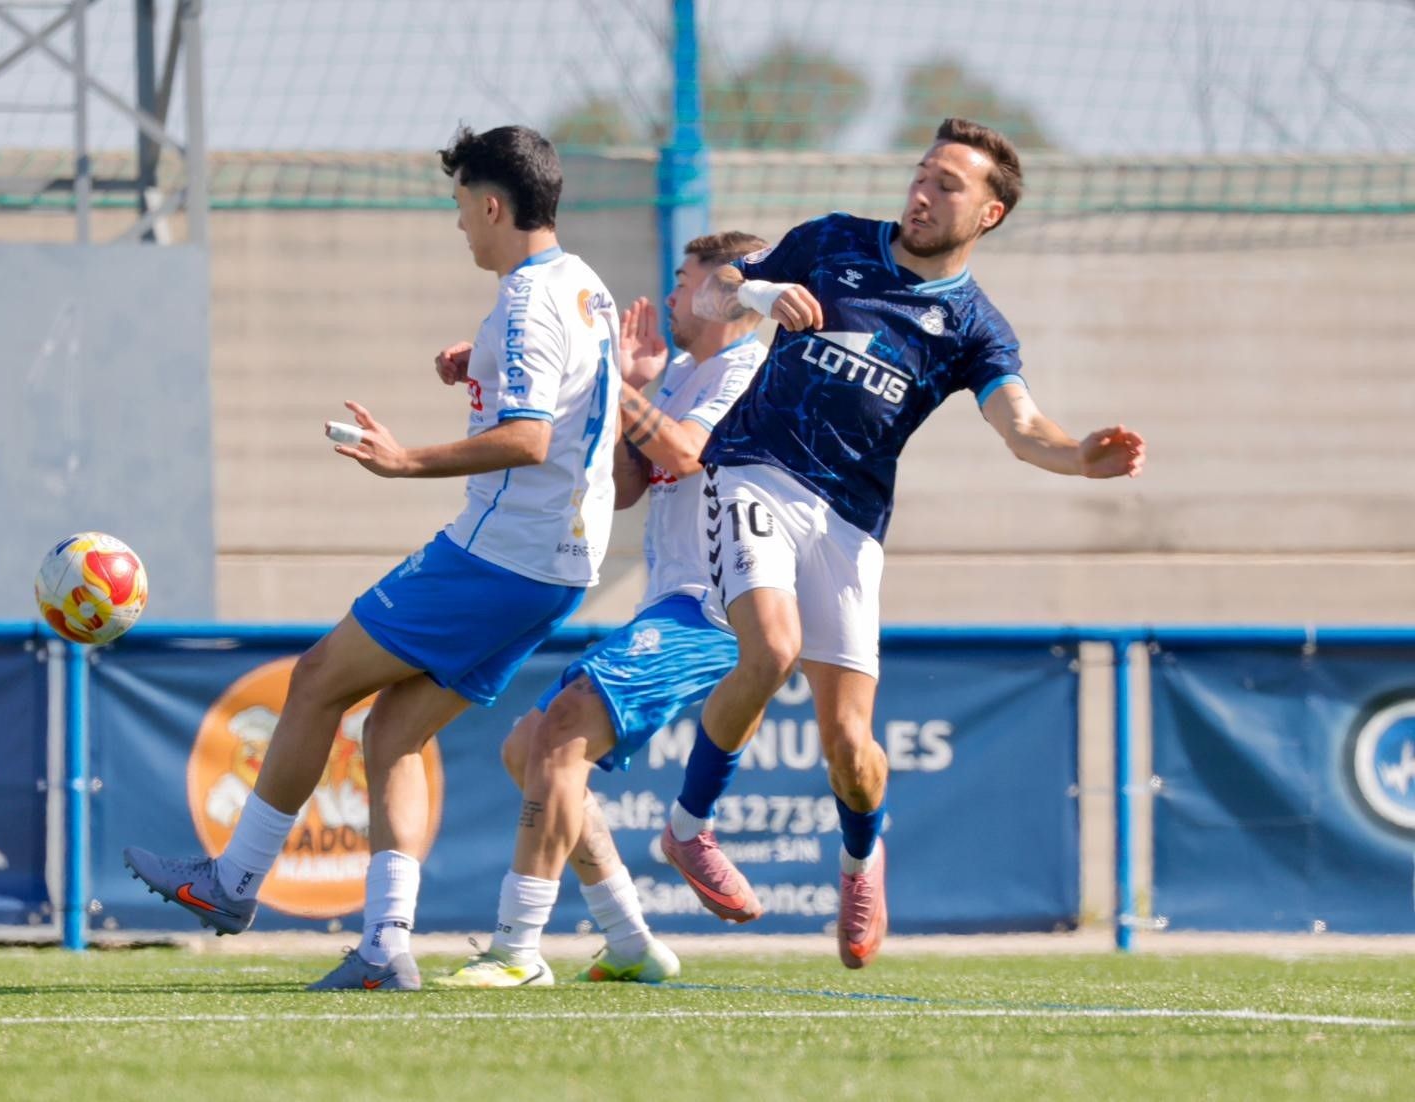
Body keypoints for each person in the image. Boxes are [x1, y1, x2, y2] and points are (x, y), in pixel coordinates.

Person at [123, 124, 624, 993]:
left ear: (496, 204)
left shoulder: (526, 302)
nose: (460, 223)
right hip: (556, 565)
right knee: (390, 731)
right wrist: (481, 367)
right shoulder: (581, 285)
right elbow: (572, 393)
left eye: (462, 206)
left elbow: (531, 436)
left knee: (318, 677)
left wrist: (404, 461)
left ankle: (232, 882)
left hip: (498, 555)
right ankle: (385, 947)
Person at [658, 117, 1148, 969]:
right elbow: (709, 297)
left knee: (852, 750)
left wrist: (1077, 458)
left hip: (851, 521)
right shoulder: (833, 241)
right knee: (770, 651)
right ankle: (688, 829)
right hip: (754, 471)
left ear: (989, 214)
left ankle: (860, 860)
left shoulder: (976, 327)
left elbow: (1021, 425)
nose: (922, 192)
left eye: (949, 185)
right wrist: (760, 293)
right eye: (922, 174)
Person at [427, 232, 770, 989]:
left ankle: (516, 950)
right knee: (529, 750)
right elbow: (635, 483)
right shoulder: (682, 372)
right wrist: (626, 394)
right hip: (672, 602)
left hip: (715, 610)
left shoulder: (751, 370)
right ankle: (629, 940)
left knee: (556, 740)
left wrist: (617, 386)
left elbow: (683, 454)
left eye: (684, 283)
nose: (672, 297)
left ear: (729, 291)